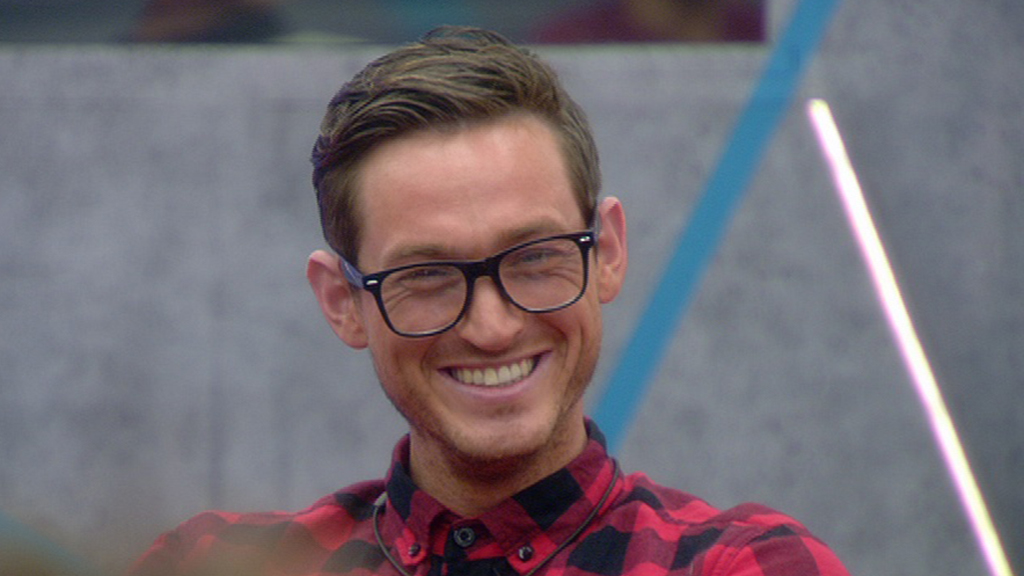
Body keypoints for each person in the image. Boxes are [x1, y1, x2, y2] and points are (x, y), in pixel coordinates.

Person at [128, 26, 850, 576]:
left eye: (534, 258)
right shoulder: (214, 563)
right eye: (427, 275)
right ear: (343, 301)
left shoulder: (742, 566)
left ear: (606, 253)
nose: (493, 327)